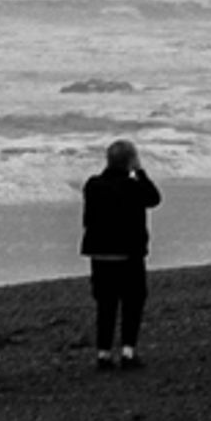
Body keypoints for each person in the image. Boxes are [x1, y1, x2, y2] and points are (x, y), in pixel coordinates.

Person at [79, 138, 159, 369]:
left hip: (100, 254)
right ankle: (128, 352)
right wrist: (140, 171)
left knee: (106, 304)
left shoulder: (93, 185)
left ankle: (103, 354)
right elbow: (154, 198)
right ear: (130, 161)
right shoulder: (133, 187)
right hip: (128, 254)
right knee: (133, 302)